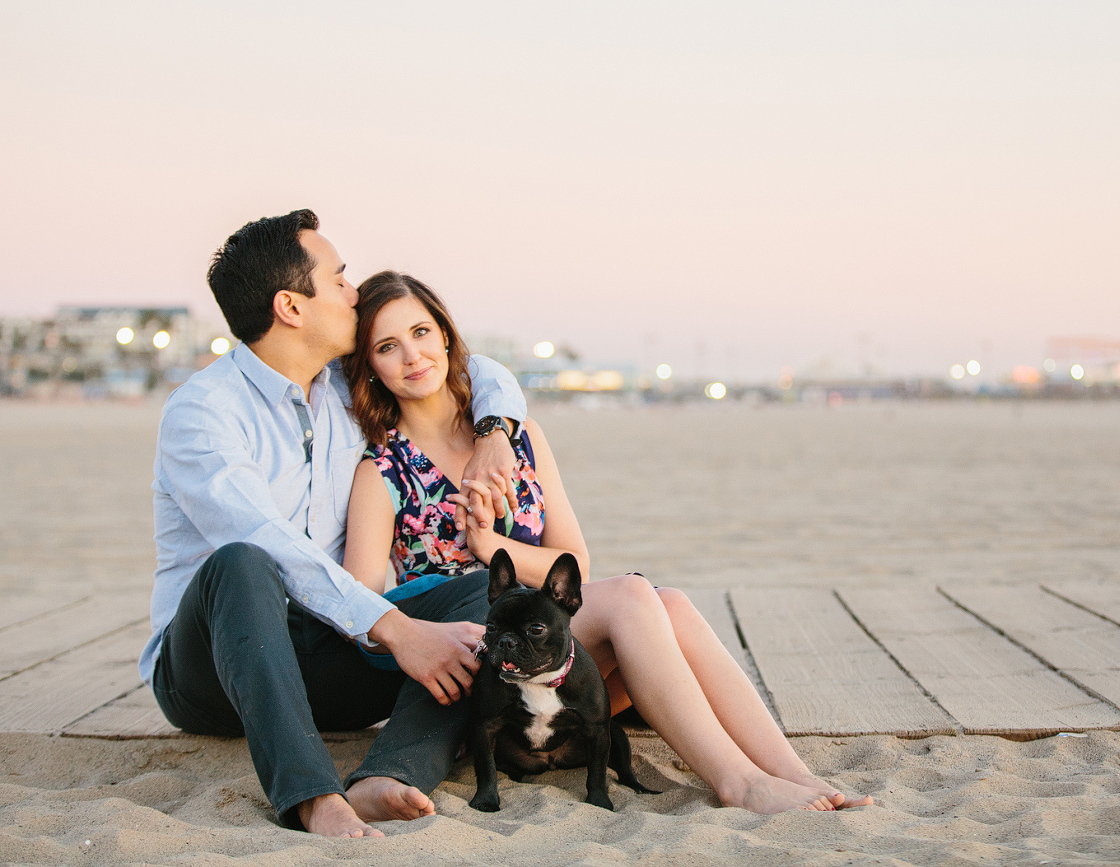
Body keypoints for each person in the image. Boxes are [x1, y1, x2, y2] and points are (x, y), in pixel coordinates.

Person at [341, 271, 872, 814]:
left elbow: (576, 563)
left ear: (447, 338)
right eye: (388, 346)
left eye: (422, 332)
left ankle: (795, 774)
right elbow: (360, 607)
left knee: (673, 605)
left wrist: (488, 545)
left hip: (550, 650)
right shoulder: (380, 470)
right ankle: (737, 781)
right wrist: (432, 632)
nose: (413, 355)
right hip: (478, 659)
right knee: (634, 597)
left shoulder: (518, 438)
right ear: (371, 366)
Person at [141, 209, 531, 838]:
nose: (354, 292)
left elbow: (478, 370)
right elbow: (265, 541)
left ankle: (393, 773)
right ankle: (312, 796)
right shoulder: (204, 414)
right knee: (244, 561)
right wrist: (397, 629)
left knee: (480, 593)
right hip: (213, 667)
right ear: (292, 307)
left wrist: (494, 433)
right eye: (340, 278)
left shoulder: (345, 393)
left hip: (324, 650)